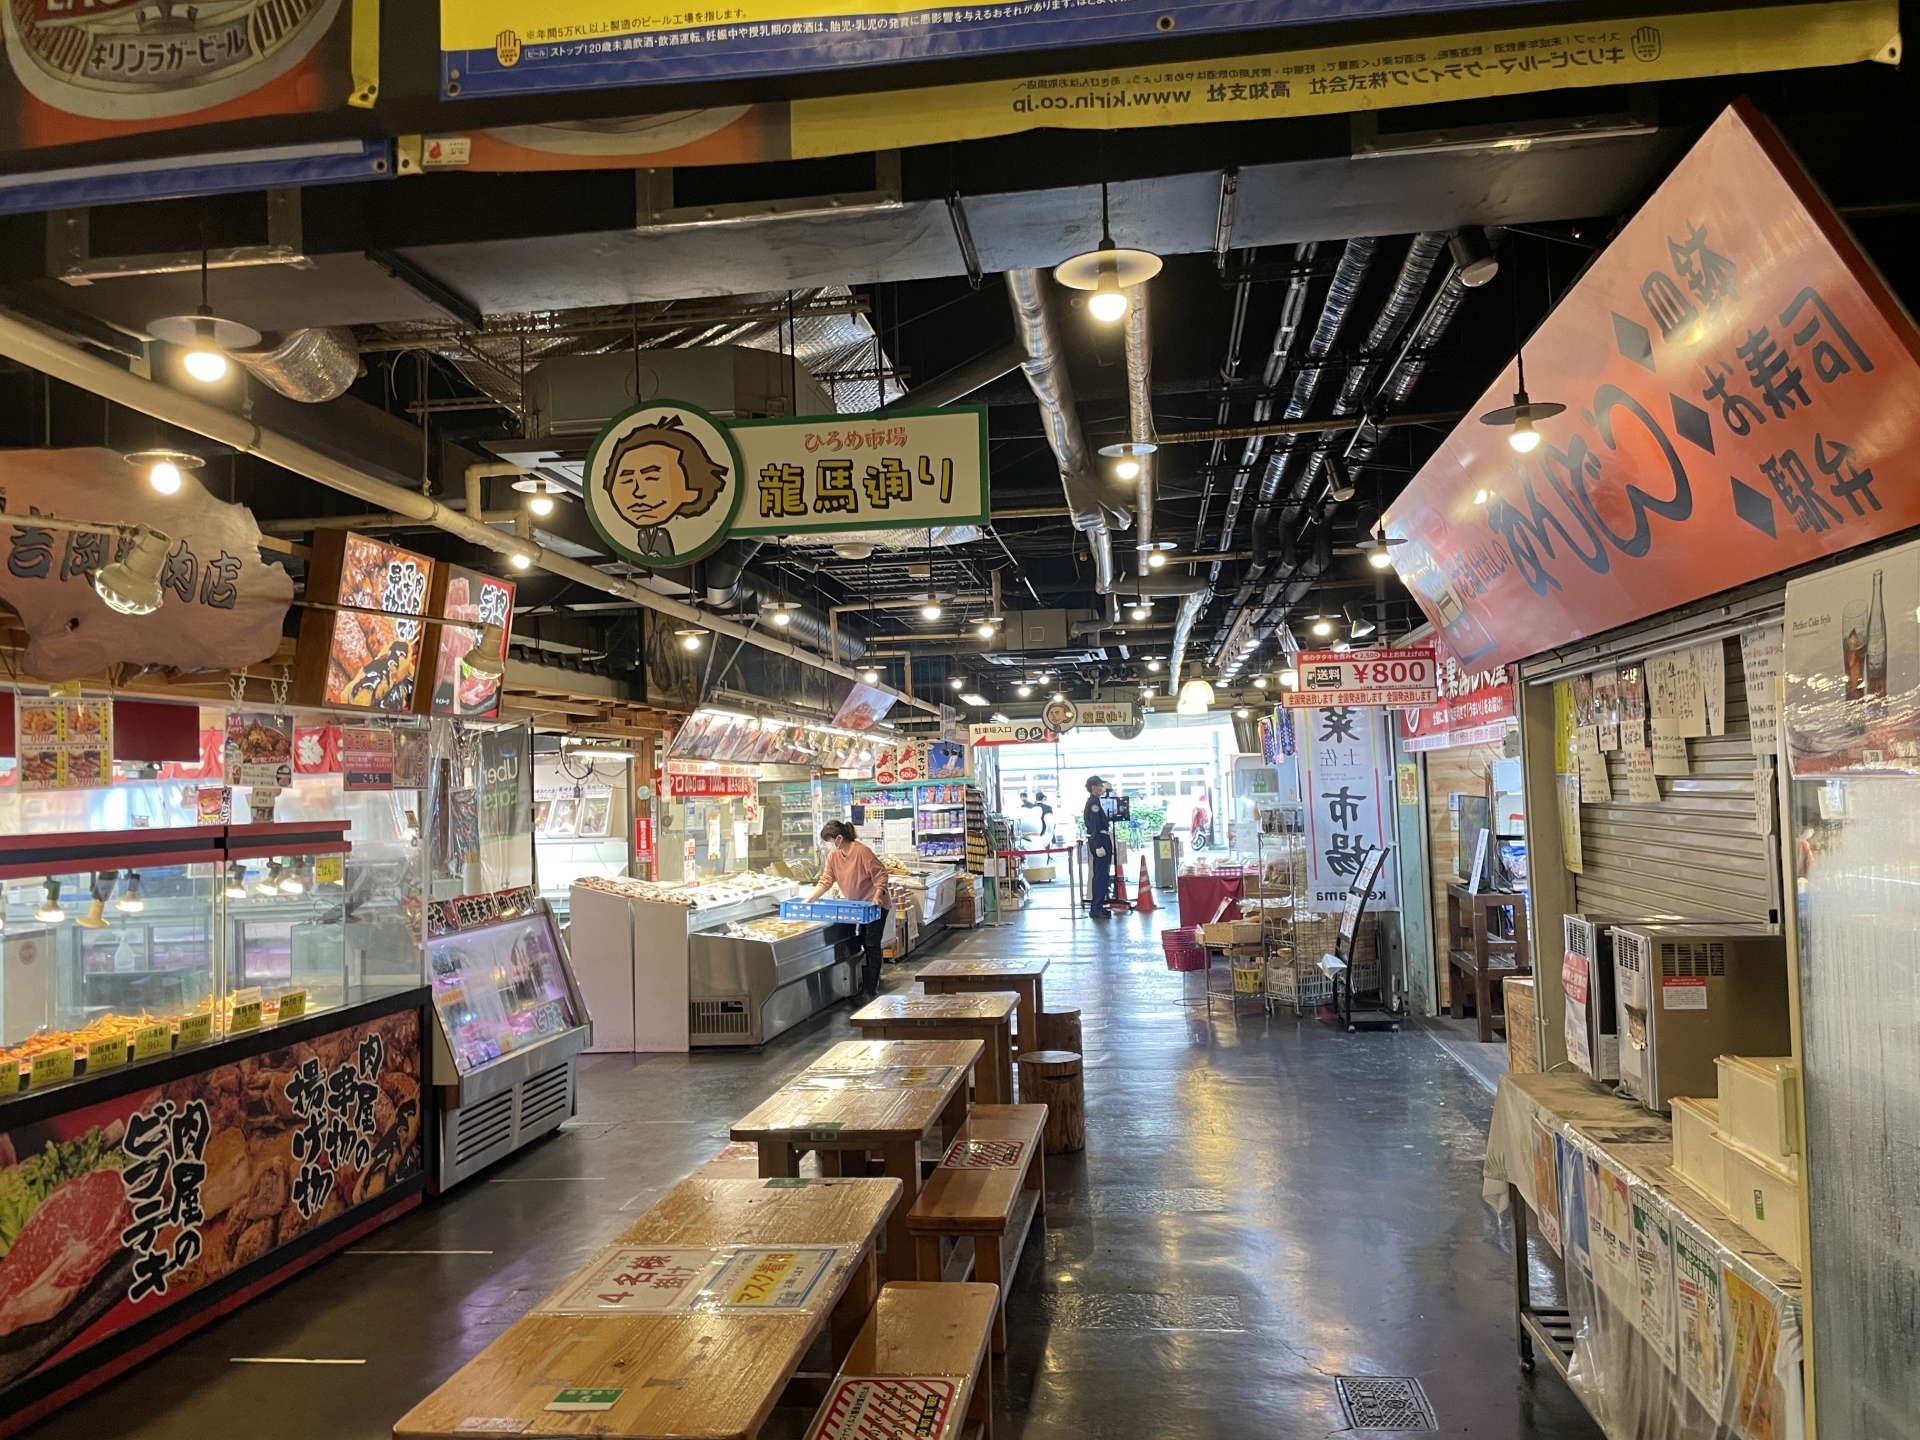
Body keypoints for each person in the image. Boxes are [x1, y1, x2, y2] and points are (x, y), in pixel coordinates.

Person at [807, 820, 890, 1001]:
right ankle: (859, 983)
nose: (828, 845)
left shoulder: (862, 852)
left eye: (829, 840)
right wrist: (809, 900)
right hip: (856, 907)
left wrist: (877, 895)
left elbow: (881, 874)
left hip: (875, 907)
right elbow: (826, 881)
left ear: (839, 838)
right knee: (855, 942)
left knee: (871, 945)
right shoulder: (834, 857)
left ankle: (870, 990)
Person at [1084, 775, 1114, 918]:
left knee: (1102, 874)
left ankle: (1098, 906)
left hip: (1101, 838)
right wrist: (1098, 845)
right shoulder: (1093, 804)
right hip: (1100, 838)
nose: (1102, 788)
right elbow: (1095, 826)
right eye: (1100, 785)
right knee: (1101, 875)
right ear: (1094, 787)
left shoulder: (1095, 802)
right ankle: (1096, 907)